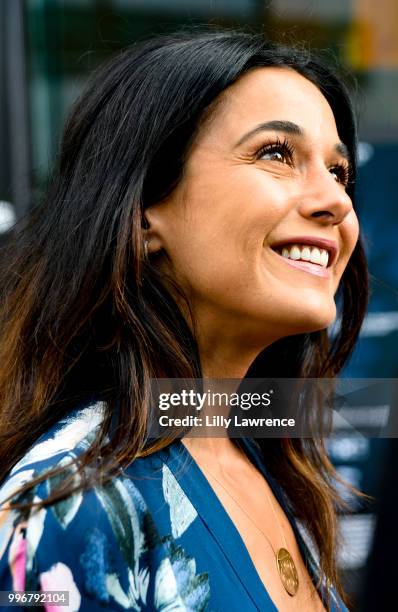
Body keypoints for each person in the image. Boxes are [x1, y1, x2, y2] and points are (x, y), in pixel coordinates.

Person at [0, 30, 368, 611]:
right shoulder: (69, 507)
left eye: (339, 171)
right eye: (276, 153)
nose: (338, 202)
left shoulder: (266, 454)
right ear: (144, 212)